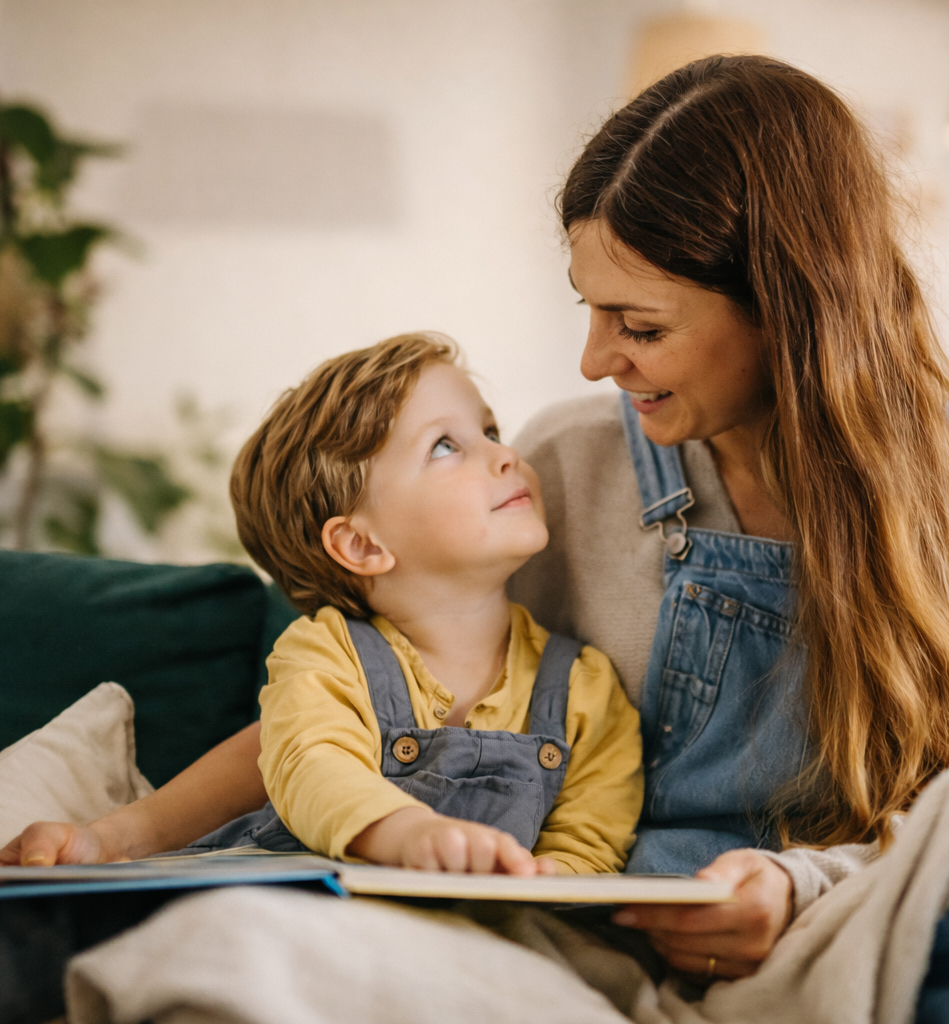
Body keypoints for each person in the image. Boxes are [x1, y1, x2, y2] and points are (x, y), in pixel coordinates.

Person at [0, 55, 949, 1024]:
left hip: (835, 946)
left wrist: (786, 889)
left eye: (638, 324)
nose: (590, 361)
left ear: (791, 308)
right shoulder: (565, 475)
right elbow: (351, 691)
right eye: (587, 306)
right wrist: (134, 837)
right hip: (567, 943)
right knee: (114, 925)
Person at [206, 330, 641, 875]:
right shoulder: (325, 655)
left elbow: (590, 841)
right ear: (361, 544)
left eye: (490, 430)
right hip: (309, 905)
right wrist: (406, 832)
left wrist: (554, 876)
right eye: (445, 446)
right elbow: (310, 767)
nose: (506, 454)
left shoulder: (587, 688)